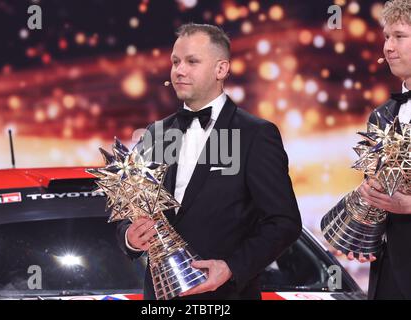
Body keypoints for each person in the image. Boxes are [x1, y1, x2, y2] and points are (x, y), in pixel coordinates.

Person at [114, 23, 302, 299]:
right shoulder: (155, 134)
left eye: (192, 61)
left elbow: (284, 221)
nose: (179, 70)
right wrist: (130, 238)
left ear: (221, 69)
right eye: (175, 62)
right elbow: (125, 213)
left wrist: (231, 268)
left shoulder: (254, 134)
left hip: (226, 296)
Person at [339, 0, 411, 300]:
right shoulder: (381, 115)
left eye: (399, 36)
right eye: (386, 37)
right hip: (392, 270)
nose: (388, 47)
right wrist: (364, 233)